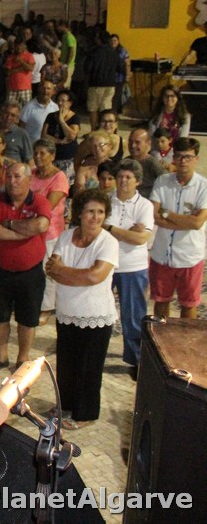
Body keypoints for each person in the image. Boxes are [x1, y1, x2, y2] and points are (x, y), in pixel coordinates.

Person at [45, 188, 119, 430]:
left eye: (100, 212)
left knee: (89, 367)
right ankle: (65, 404)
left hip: (95, 314)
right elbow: (51, 269)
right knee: (67, 364)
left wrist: (65, 272)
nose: (96, 217)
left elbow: (95, 276)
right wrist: (77, 275)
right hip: (67, 312)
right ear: (79, 213)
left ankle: (85, 413)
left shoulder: (109, 242)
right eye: (90, 212)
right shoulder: (66, 236)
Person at [0, 163, 50, 374]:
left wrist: (8, 224)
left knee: (27, 320)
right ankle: (1, 357)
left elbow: (40, 225)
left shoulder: (39, 201)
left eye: (17, 176)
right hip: (0, 270)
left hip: (30, 273)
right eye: (8, 176)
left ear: (29, 179)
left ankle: (22, 359)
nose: (12, 181)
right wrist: (21, 233)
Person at [105, 159, 154, 380]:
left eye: (128, 177)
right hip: (106, 263)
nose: (123, 181)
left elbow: (140, 239)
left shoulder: (145, 206)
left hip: (133, 267)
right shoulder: (106, 200)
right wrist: (128, 232)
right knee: (99, 312)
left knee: (133, 316)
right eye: (120, 177)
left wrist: (111, 228)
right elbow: (96, 230)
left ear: (138, 181)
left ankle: (136, 360)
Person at [149, 137, 207, 320]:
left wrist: (166, 213)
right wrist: (186, 220)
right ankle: (160, 337)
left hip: (190, 257)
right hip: (162, 255)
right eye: (179, 156)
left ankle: (186, 339)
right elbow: (153, 215)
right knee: (161, 303)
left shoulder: (204, 186)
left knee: (189, 305)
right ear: (173, 158)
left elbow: (197, 223)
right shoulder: (162, 181)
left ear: (196, 159)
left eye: (188, 157)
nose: (183, 161)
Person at [30, 140, 70, 325]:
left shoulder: (59, 178)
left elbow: (47, 205)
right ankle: (32, 301)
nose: (38, 157)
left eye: (42, 153)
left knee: (48, 268)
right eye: (35, 153)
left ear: (52, 156)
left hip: (50, 231)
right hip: (30, 228)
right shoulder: (32, 173)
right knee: (32, 267)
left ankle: (46, 307)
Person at [82, 30, 122, 131]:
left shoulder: (94, 52)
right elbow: (120, 68)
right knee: (106, 107)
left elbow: (87, 68)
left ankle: (94, 130)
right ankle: (106, 131)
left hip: (96, 83)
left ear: (99, 39)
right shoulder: (114, 52)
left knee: (93, 108)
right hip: (110, 84)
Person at [41, 89, 80, 182]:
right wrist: (60, 141)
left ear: (70, 103)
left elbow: (72, 136)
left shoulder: (75, 117)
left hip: (67, 157)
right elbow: (44, 135)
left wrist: (62, 121)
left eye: (63, 101)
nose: (60, 103)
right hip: (52, 156)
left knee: (63, 183)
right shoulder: (51, 116)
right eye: (58, 100)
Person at [125, 128, 166, 198]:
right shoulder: (125, 162)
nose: (133, 145)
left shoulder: (153, 164)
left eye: (137, 142)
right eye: (130, 142)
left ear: (148, 143)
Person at [19, 81, 59, 147]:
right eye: (43, 88)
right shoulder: (29, 107)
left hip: (48, 147)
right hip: (31, 146)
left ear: (53, 91)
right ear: (38, 89)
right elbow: (21, 127)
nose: (45, 91)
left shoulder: (56, 107)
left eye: (48, 88)